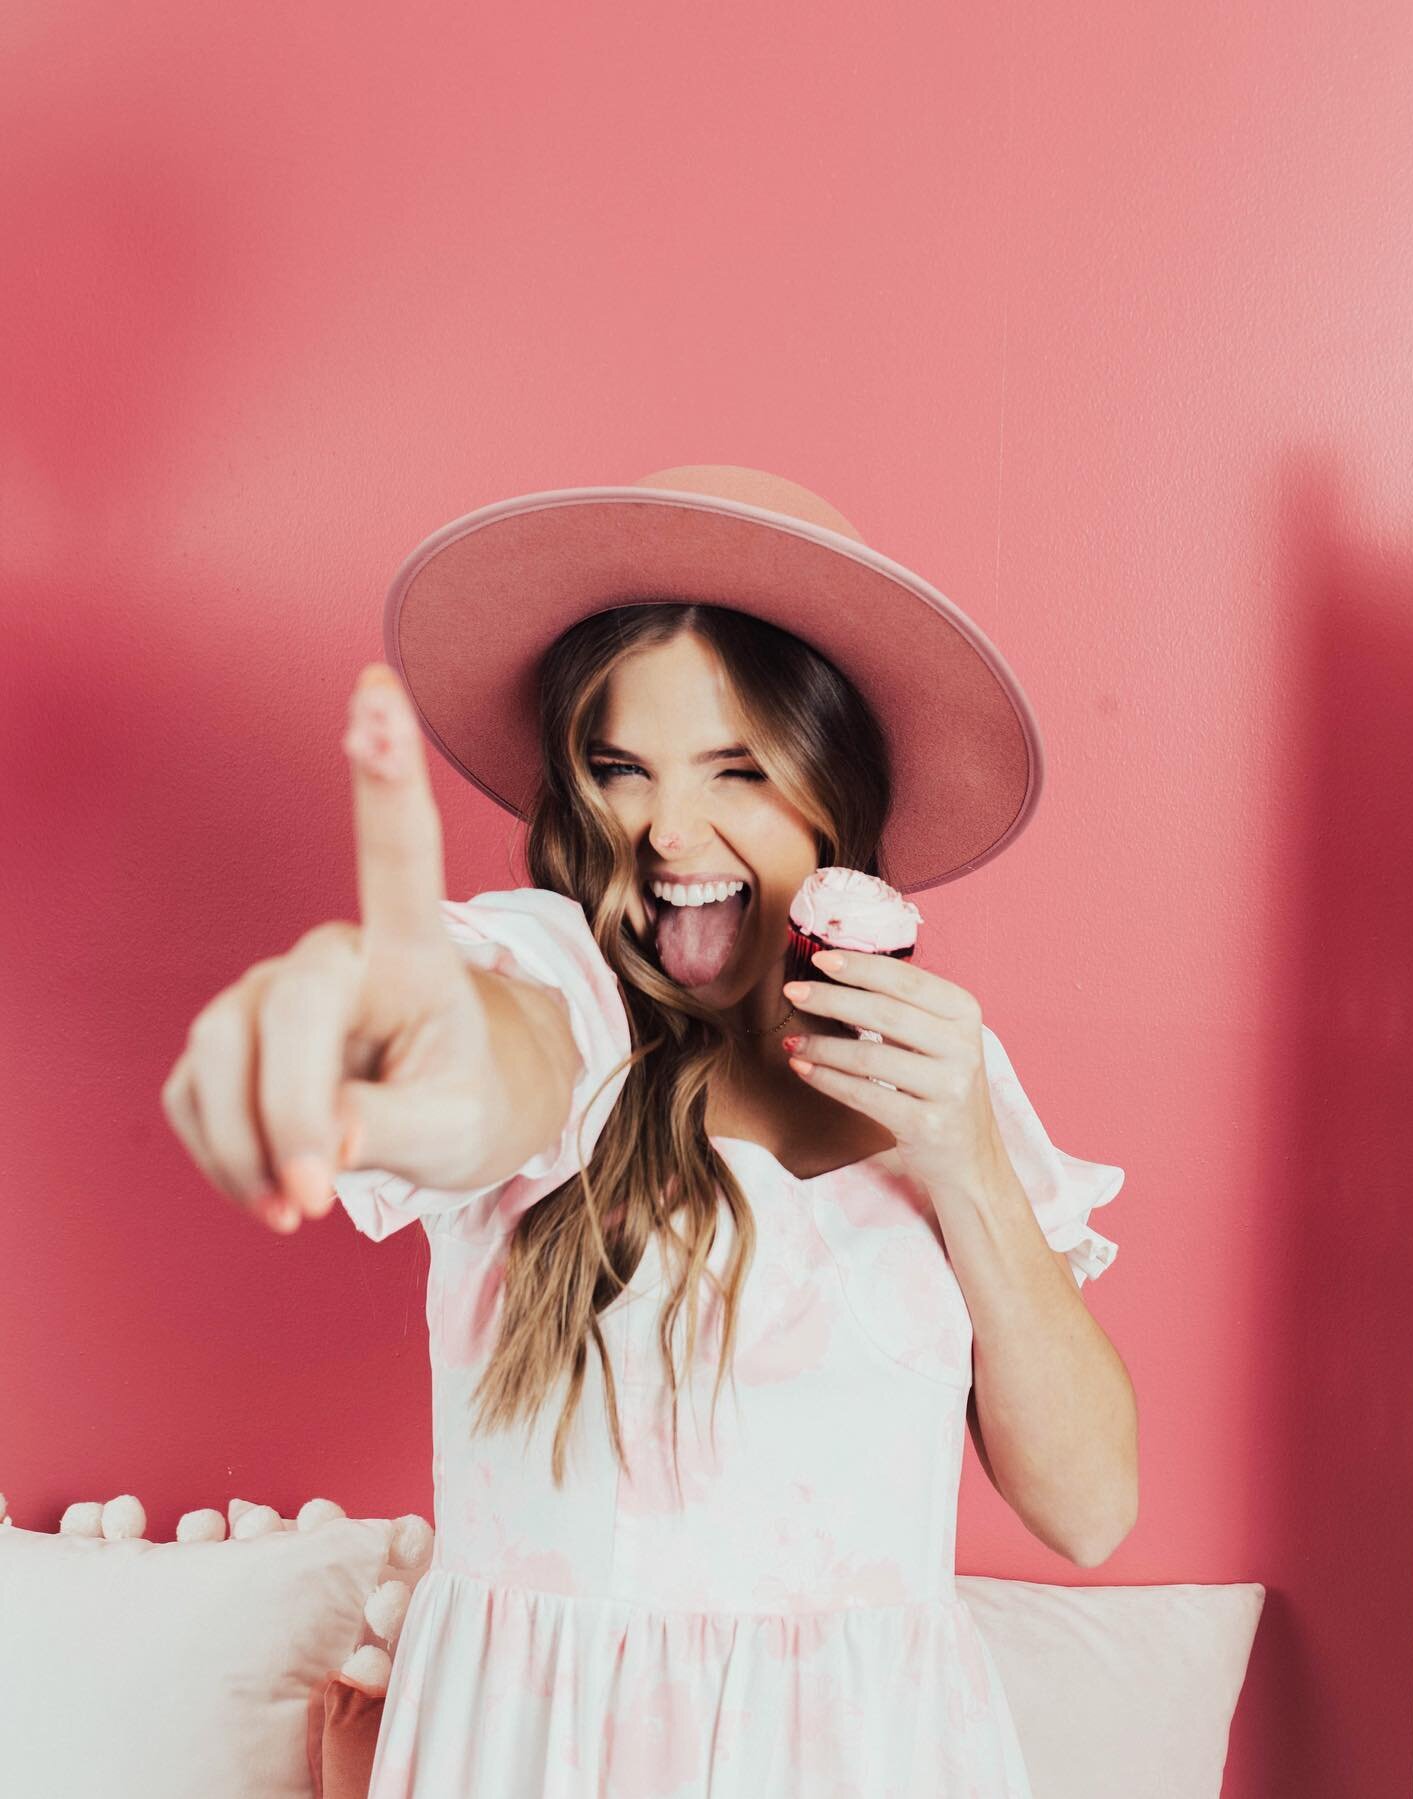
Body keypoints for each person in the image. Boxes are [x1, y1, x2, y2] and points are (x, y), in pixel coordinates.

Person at [161, 467, 1136, 1796]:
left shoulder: (942, 1076)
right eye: (621, 768)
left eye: (736, 766)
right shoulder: (558, 988)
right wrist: (390, 1037)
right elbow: (486, 1063)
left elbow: (1088, 1513)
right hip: (549, 1757)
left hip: (878, 1758)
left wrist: (964, 1154)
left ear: (830, 795)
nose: (668, 830)